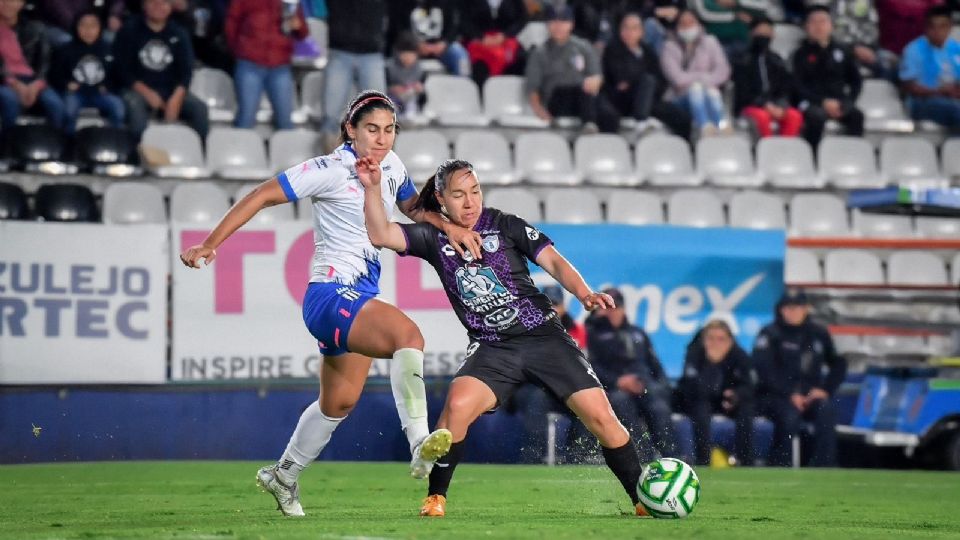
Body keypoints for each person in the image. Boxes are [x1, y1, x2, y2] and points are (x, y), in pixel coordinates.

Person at [179, 91, 484, 517]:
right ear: (350, 130)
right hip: (328, 294)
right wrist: (210, 244)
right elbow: (262, 195)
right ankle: (418, 441)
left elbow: (412, 207)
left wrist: (445, 224)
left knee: (338, 402)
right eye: (372, 129)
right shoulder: (327, 168)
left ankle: (283, 474)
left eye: (390, 130)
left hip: (358, 297)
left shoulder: (391, 165)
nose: (381, 139)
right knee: (407, 335)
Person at [361, 159, 653, 519]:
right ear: (441, 199)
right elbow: (379, 234)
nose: (470, 202)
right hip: (493, 346)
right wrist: (372, 187)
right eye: (459, 195)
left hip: (545, 337)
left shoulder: (505, 225)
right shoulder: (433, 238)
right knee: (457, 406)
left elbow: (555, 262)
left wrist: (584, 294)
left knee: (602, 418)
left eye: (475, 191)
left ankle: (642, 498)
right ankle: (436, 498)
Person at [753, 289, 847, 467]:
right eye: (789, 307)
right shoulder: (770, 333)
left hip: (810, 396)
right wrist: (788, 393)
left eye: (798, 307)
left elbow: (839, 364)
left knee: (826, 411)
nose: (793, 312)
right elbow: (763, 370)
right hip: (776, 396)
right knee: (788, 416)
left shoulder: (818, 333)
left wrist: (825, 390)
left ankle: (823, 468)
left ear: (806, 309)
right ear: (781, 309)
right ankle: (782, 465)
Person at [586, 287, 678, 459]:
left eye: (616, 307)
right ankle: (642, 455)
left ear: (623, 309)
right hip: (613, 388)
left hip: (644, 385)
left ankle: (671, 457)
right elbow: (592, 367)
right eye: (606, 308)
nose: (612, 312)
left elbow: (655, 366)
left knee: (659, 407)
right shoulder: (593, 334)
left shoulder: (638, 333)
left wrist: (659, 387)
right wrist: (618, 381)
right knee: (621, 403)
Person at [112, 0, 208, 140]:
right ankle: (137, 155)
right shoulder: (129, 30)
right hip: (136, 89)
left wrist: (176, 99)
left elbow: (186, 72)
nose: (159, 6)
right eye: (153, 2)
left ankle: (200, 153)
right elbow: (122, 70)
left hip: (170, 90)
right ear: (144, 5)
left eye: (164, 2)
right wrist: (147, 93)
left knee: (200, 109)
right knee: (136, 110)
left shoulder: (179, 33)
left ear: (171, 7)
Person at [525, 5, 619, 134]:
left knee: (609, 115)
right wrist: (539, 110)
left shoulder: (584, 46)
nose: (558, 26)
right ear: (547, 24)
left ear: (571, 24)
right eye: (554, 21)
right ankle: (589, 124)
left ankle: (603, 147)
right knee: (583, 92)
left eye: (563, 21)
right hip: (557, 98)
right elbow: (532, 88)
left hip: (585, 98)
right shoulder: (539, 53)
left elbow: (596, 75)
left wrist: (595, 81)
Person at [677, 319, 755, 466]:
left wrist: (735, 396)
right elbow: (692, 387)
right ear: (703, 340)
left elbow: (749, 386)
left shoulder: (739, 355)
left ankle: (745, 461)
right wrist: (711, 365)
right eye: (711, 338)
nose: (715, 343)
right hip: (700, 400)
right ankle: (703, 461)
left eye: (721, 339)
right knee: (700, 408)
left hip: (728, 403)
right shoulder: (695, 353)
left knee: (746, 410)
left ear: (730, 341)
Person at [603, 11, 692, 139]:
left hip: (649, 100)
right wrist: (641, 79)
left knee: (680, 116)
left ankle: (685, 147)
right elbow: (619, 78)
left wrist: (642, 83)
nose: (629, 32)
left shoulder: (647, 50)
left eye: (634, 28)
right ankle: (641, 122)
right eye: (626, 27)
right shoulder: (612, 49)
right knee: (647, 80)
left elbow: (660, 79)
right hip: (622, 100)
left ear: (641, 32)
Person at [225, 0, 307, 130]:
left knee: (285, 121)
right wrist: (240, 51)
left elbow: (303, 32)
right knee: (246, 118)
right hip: (249, 64)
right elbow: (231, 24)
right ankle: (240, 149)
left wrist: (299, 26)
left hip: (280, 66)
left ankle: (284, 150)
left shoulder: (290, 1)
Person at [318, 0, 387, 152]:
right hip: (340, 51)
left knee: (380, 113)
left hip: (372, 52)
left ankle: (379, 163)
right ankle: (331, 164)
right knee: (330, 115)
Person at [791, 5, 863, 149]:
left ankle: (852, 156)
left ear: (831, 26)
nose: (819, 26)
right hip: (811, 102)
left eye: (823, 21)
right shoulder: (799, 54)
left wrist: (847, 102)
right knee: (815, 117)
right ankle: (812, 157)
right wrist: (823, 102)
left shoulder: (843, 51)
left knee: (856, 116)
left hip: (838, 102)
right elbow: (797, 86)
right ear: (806, 26)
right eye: (814, 22)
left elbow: (856, 81)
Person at [49, 9, 125, 134]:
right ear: (76, 27)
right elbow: (54, 76)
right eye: (83, 25)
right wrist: (67, 84)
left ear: (100, 28)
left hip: (100, 94)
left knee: (118, 107)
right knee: (68, 110)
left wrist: (108, 87)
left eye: (93, 25)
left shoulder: (109, 49)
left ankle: (115, 143)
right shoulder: (65, 50)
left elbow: (118, 76)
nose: (88, 30)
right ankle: (68, 144)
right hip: (76, 93)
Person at [661, 8, 731, 137]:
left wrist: (703, 82)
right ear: (677, 27)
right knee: (696, 89)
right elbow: (678, 79)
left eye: (691, 22)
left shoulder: (710, 42)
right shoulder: (669, 47)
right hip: (679, 98)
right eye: (683, 23)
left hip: (709, 93)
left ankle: (721, 126)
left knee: (711, 91)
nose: (688, 27)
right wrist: (703, 78)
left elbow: (723, 71)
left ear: (698, 24)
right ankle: (704, 127)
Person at [0, 0, 66, 132]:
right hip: (3, 80)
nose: (7, 3)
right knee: (10, 101)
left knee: (56, 105)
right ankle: (8, 145)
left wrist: (36, 85)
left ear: (21, 3)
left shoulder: (35, 28)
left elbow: (44, 61)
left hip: (32, 79)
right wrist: (14, 84)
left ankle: (55, 146)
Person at [733, 15, 803, 138]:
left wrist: (781, 106)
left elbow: (785, 88)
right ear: (752, 34)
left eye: (767, 32)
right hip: (751, 105)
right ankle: (767, 150)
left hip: (775, 104)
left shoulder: (777, 60)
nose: (764, 36)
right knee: (762, 116)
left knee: (794, 116)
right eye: (760, 32)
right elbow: (743, 91)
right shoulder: (742, 60)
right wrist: (764, 104)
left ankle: (784, 149)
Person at [900, 6, 960, 130]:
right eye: (932, 26)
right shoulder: (913, 49)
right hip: (922, 102)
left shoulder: (956, 49)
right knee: (955, 110)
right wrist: (940, 92)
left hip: (952, 100)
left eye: (942, 26)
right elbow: (909, 87)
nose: (937, 31)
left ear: (950, 28)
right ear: (926, 28)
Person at [388, 0, 470, 77]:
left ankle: (464, 84)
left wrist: (444, 43)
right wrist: (416, 44)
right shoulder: (404, 3)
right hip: (412, 46)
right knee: (403, 54)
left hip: (440, 46)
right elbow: (400, 28)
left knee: (460, 55)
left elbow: (453, 27)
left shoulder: (447, 2)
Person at [692, 0, 769, 59]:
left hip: (741, 39)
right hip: (714, 40)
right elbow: (704, 13)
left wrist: (737, 2)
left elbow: (763, 6)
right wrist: (734, 15)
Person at [34, 0, 124, 47]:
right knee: (67, 41)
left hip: (88, 24)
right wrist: (82, 29)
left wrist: (114, 14)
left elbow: (116, 2)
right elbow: (59, 11)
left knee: (112, 38)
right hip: (56, 26)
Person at [386, 32, 425, 118]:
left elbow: (422, 91)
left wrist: (419, 89)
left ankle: (410, 115)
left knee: (412, 101)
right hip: (394, 96)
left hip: (410, 96)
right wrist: (393, 89)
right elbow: (384, 85)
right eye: (404, 55)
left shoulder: (419, 69)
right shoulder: (390, 67)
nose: (407, 58)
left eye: (411, 55)